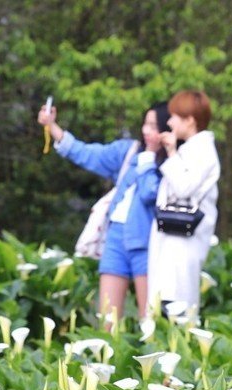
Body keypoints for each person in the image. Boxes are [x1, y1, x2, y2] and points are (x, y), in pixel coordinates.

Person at [38, 100, 170, 323]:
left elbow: (150, 194)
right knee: (107, 318)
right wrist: (52, 127)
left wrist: (149, 159)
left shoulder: (170, 163)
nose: (148, 131)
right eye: (146, 124)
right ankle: (110, 357)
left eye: (155, 127)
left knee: (149, 320)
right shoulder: (129, 152)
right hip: (115, 237)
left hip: (146, 242)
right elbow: (90, 154)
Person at [148, 90, 221, 317]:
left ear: (190, 120)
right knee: (168, 302)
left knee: (175, 307)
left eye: (174, 116)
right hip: (175, 242)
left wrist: (171, 154)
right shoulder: (192, 148)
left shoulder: (203, 151)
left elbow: (183, 188)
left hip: (183, 245)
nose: (169, 122)